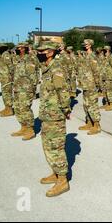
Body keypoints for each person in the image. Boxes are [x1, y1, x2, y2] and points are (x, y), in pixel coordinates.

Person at [36, 42, 71, 197]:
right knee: (48, 145)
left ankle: (62, 180)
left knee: (56, 147)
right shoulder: (47, 68)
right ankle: (55, 173)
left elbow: (62, 91)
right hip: (47, 113)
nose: (39, 53)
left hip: (55, 115)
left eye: (42, 51)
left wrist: (66, 109)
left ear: (50, 52)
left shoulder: (56, 68)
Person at [11, 43, 38, 140]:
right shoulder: (17, 59)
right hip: (17, 88)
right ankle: (23, 127)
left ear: (24, 49)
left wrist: (33, 88)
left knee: (25, 108)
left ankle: (30, 130)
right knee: (18, 108)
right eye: (17, 48)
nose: (18, 49)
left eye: (19, 48)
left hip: (26, 88)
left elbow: (33, 75)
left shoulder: (30, 58)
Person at [77, 39, 101, 135]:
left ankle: (97, 125)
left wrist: (98, 85)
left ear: (90, 45)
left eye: (86, 44)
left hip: (91, 84)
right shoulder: (85, 56)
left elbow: (96, 72)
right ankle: (89, 122)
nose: (85, 46)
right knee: (86, 104)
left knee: (93, 105)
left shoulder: (93, 56)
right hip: (85, 84)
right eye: (84, 44)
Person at [0, 43, 15, 117]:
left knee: (7, 93)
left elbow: (10, 66)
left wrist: (12, 76)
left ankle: (9, 110)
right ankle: (6, 108)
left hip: (7, 78)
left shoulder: (6, 54)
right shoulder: (3, 54)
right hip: (4, 77)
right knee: (4, 93)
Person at [99, 46, 112, 111]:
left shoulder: (110, 57)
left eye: (105, 50)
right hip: (104, 77)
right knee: (105, 90)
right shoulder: (104, 58)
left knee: (109, 91)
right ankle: (107, 103)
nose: (103, 52)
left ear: (108, 50)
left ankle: (111, 104)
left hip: (109, 77)